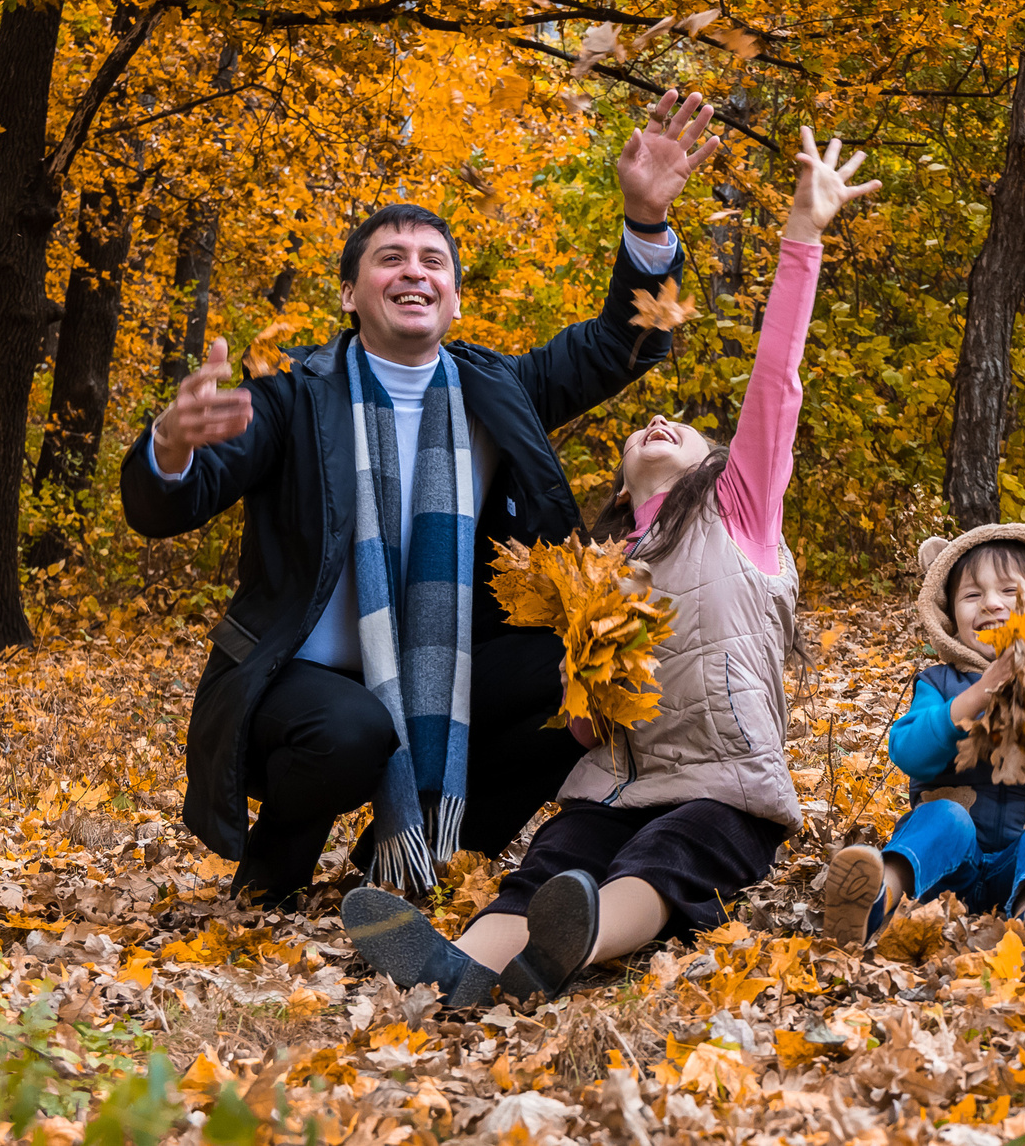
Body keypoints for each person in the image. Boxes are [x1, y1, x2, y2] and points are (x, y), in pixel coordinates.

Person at [119, 91, 722, 906]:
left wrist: (647, 222)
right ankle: (277, 861)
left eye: (433, 260)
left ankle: (395, 870)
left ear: (455, 298)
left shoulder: (497, 389)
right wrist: (170, 445)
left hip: (453, 664)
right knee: (352, 732)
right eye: (391, 257)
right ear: (350, 294)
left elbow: (631, 341)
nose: (414, 270)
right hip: (304, 683)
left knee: (582, 677)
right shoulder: (295, 397)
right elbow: (168, 506)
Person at [342, 127, 878, 1006]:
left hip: (723, 786)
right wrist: (585, 676)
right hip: (614, 785)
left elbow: (775, 382)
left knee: (663, 864)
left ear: (717, 461)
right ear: (619, 482)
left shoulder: (739, 514)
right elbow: (587, 731)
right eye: (642, 427)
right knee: (552, 861)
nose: (659, 419)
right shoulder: (596, 568)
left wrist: (802, 235)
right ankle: (460, 968)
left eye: (683, 425)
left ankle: (577, 942)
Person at [820, 523, 1025, 943]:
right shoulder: (940, 684)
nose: (991, 605)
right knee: (945, 816)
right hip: (944, 870)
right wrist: (977, 695)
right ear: (948, 614)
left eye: (1010, 593)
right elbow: (909, 751)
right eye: (972, 595)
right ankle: (875, 897)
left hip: (1020, 867)